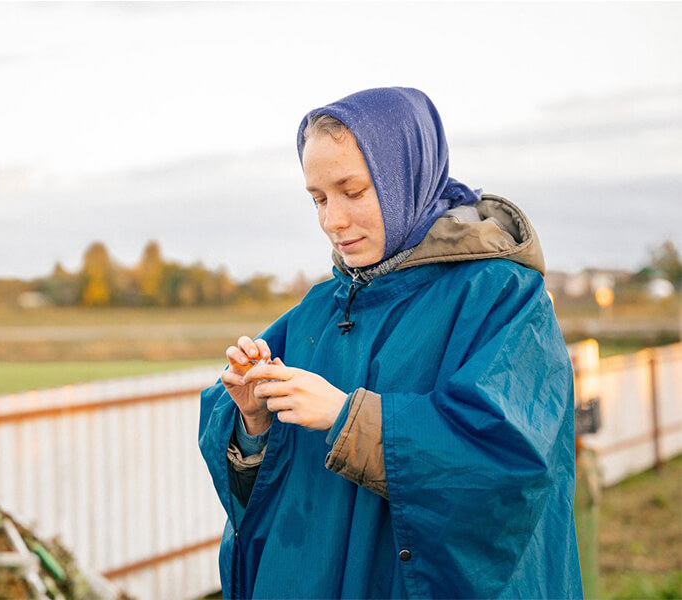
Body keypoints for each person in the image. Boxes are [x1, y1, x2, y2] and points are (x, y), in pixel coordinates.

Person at [197, 87, 582, 599]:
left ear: (407, 177)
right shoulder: (317, 310)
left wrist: (346, 418)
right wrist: (254, 423)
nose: (332, 220)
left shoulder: (501, 298)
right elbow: (262, 497)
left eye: (352, 191)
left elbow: (510, 465)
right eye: (318, 198)